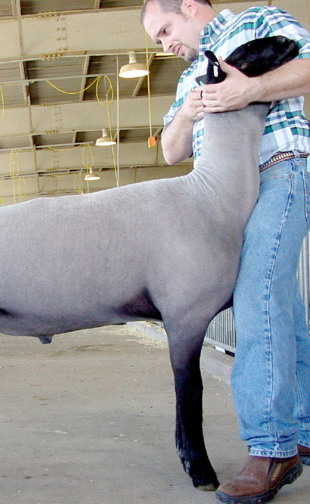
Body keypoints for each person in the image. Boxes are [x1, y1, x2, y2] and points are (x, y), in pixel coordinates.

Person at [141, 1, 310, 503]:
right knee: (282, 307)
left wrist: (250, 89)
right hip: (225, 197)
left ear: (190, 6)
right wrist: (188, 110)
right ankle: (303, 428)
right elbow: (171, 150)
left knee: (256, 294)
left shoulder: (257, 21)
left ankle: (271, 448)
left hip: (279, 168)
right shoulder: (189, 75)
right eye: (157, 41)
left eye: (165, 30)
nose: (165, 45)